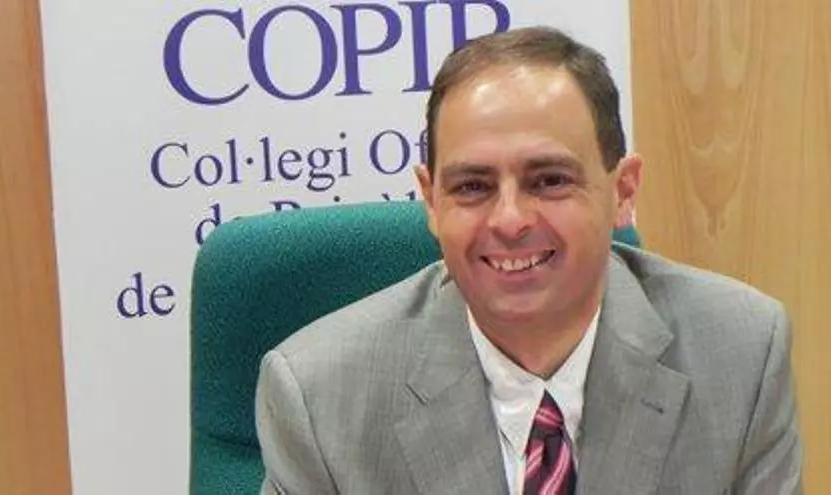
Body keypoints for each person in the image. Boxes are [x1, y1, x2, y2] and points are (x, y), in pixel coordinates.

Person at [255, 26, 802, 494]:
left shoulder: (740, 353)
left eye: (549, 180)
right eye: (472, 186)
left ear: (623, 191)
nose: (510, 220)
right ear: (432, 202)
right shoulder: (319, 396)